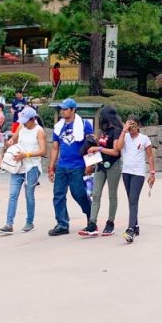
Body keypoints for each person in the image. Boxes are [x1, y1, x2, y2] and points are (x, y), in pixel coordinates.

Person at [47, 98, 94, 236]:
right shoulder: (58, 127)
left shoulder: (84, 125)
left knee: (78, 193)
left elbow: (91, 145)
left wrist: (89, 164)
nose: (62, 111)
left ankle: (91, 216)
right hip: (62, 165)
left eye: (65, 109)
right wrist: (51, 167)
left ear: (73, 110)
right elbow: (55, 148)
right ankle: (62, 224)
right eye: (61, 109)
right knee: (58, 195)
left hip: (78, 165)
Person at [0, 106, 47, 234]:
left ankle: (29, 222)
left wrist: (26, 155)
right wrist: (11, 140)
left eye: (26, 121)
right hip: (18, 165)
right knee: (13, 194)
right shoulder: (21, 127)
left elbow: (43, 151)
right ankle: (9, 224)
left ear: (32, 119)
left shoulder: (39, 131)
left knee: (29, 194)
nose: (23, 123)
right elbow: (15, 137)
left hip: (32, 167)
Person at [81, 104, 125, 237]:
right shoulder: (103, 131)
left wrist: (99, 149)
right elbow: (101, 146)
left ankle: (110, 222)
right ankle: (92, 223)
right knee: (96, 193)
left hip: (113, 164)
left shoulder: (117, 130)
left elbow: (116, 151)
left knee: (112, 194)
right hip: (100, 164)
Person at [120, 115, 156, 243]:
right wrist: (124, 130)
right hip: (126, 172)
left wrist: (152, 173)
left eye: (133, 125)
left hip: (138, 173)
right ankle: (135, 226)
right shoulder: (124, 136)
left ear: (138, 126)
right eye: (129, 125)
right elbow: (118, 147)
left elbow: (150, 156)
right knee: (131, 199)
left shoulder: (144, 139)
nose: (131, 127)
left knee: (133, 199)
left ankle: (130, 230)